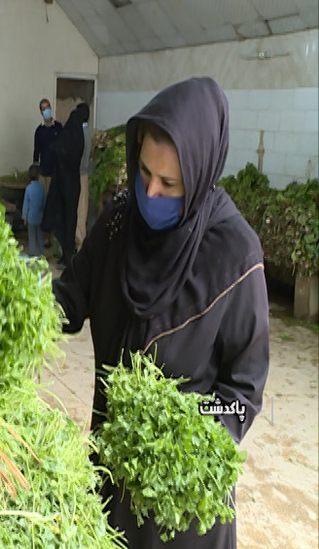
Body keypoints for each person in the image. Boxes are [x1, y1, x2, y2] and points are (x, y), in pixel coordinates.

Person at [52, 77, 269, 549]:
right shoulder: (116, 225)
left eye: (169, 184)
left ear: (201, 173)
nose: (150, 192)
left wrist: (184, 442)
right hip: (111, 480)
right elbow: (69, 300)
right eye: (144, 173)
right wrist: (20, 309)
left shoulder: (233, 256)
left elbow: (243, 390)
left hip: (181, 511)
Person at [51, 102, 88, 268]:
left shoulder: (71, 135)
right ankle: (69, 252)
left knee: (69, 216)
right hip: (74, 181)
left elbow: (57, 148)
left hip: (67, 180)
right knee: (73, 215)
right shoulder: (80, 135)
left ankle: (69, 252)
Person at [33, 98, 62, 252]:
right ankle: (45, 237)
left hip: (56, 173)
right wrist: (35, 171)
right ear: (40, 112)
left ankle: (56, 238)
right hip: (44, 173)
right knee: (44, 206)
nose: (46, 110)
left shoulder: (59, 128)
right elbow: (36, 153)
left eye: (48, 107)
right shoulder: (39, 131)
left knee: (56, 206)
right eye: (43, 108)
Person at [75, 104, 93, 250]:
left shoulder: (82, 132)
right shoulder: (86, 131)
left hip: (81, 173)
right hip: (82, 173)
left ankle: (80, 242)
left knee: (81, 209)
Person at [22, 164, 46, 257]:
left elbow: (26, 204)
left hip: (31, 217)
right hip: (40, 216)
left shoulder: (28, 189)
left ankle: (32, 253)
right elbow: (44, 202)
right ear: (39, 175)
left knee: (31, 236)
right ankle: (41, 253)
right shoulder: (42, 188)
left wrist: (25, 216)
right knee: (40, 235)